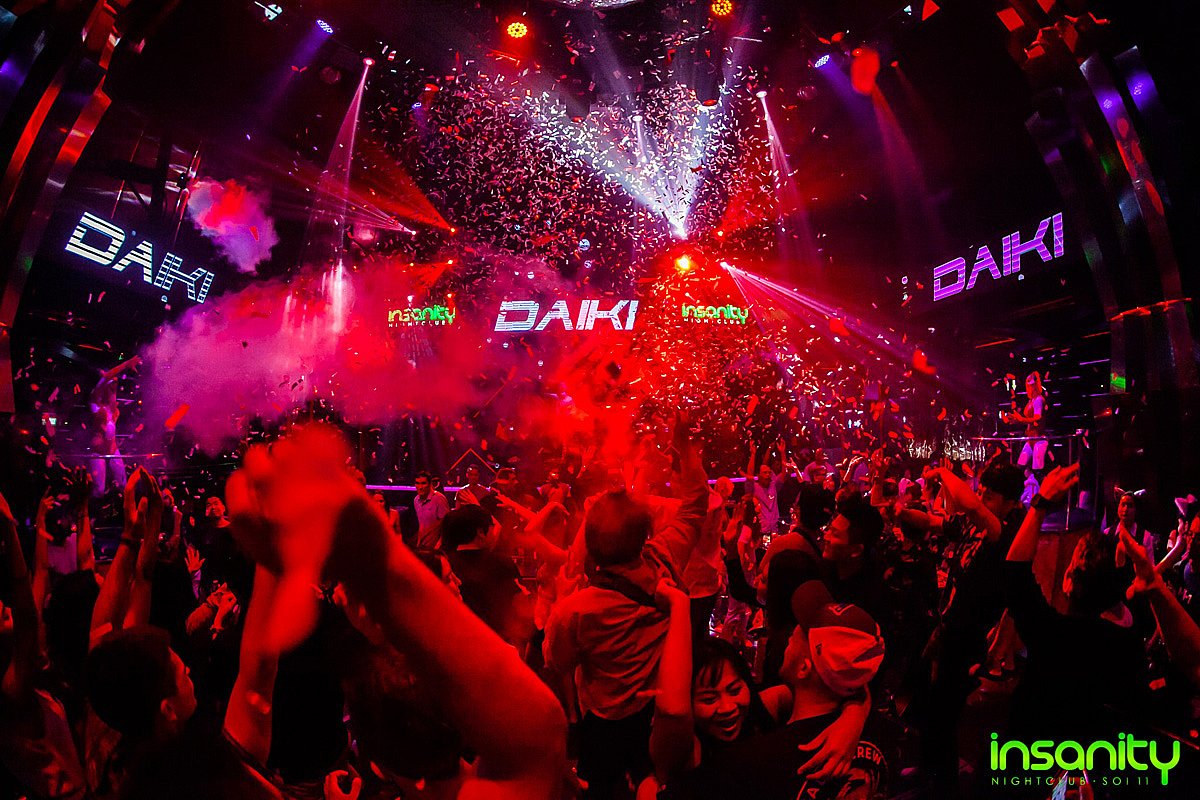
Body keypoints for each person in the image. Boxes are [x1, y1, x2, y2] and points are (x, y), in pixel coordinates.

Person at [543, 414, 708, 799]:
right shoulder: (665, 557)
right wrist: (685, 448)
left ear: (591, 543)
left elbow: (555, 663)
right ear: (644, 535)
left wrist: (558, 599)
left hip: (606, 729)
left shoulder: (576, 610)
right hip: (662, 719)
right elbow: (695, 505)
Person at [661, 581, 894, 800]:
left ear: (804, 668)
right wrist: (856, 713)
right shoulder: (882, 728)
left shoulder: (748, 766)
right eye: (709, 697)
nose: (792, 632)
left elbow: (673, 712)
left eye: (802, 632)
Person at [901, 459, 1026, 791]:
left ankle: (943, 783)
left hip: (967, 637)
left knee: (944, 711)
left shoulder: (1005, 533)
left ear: (1011, 502)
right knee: (928, 702)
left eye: (991, 495)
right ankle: (929, 768)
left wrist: (943, 472)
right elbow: (934, 522)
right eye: (982, 491)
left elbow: (971, 506)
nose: (982, 497)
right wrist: (901, 514)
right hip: (946, 626)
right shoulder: (973, 526)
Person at [441, 505, 531, 647]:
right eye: (492, 528)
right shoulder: (501, 564)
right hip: (496, 644)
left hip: (456, 642)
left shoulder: (445, 564)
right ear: (480, 532)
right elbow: (520, 606)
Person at [87, 356, 141, 497]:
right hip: (98, 452)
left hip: (112, 449)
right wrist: (126, 364)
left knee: (124, 485)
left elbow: (111, 379)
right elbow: (107, 377)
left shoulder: (112, 405)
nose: (114, 386)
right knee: (99, 490)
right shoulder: (95, 401)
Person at [1003, 371, 1049, 474]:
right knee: (1020, 466)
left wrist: (1021, 419)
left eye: (1029, 386)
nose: (1027, 389)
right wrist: (1017, 420)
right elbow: (1028, 420)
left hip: (1038, 438)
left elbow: (1037, 417)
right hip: (1030, 439)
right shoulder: (1031, 401)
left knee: (1037, 470)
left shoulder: (1038, 400)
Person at [413, 471, 449, 548]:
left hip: (436, 547)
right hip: (422, 545)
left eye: (423, 483)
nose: (420, 487)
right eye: (417, 483)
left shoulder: (439, 499)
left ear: (430, 484)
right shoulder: (416, 500)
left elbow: (447, 525)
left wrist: (438, 545)